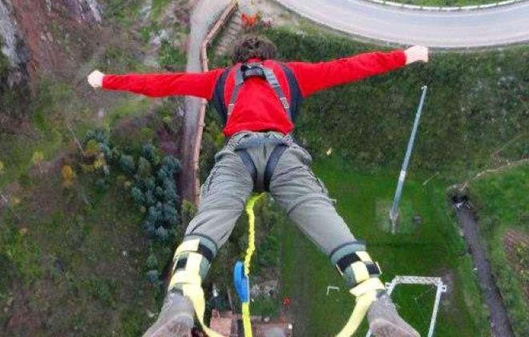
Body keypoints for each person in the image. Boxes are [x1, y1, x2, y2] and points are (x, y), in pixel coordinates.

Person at [87, 35, 429, 337]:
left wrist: (106, 80)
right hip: (284, 157)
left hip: (238, 155)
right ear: (271, 58)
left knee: (206, 225)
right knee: (328, 222)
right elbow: (350, 67)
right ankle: (376, 301)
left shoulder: (221, 80)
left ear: (238, 60)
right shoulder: (291, 74)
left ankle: (179, 300)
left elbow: (164, 83)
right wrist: (406, 55)